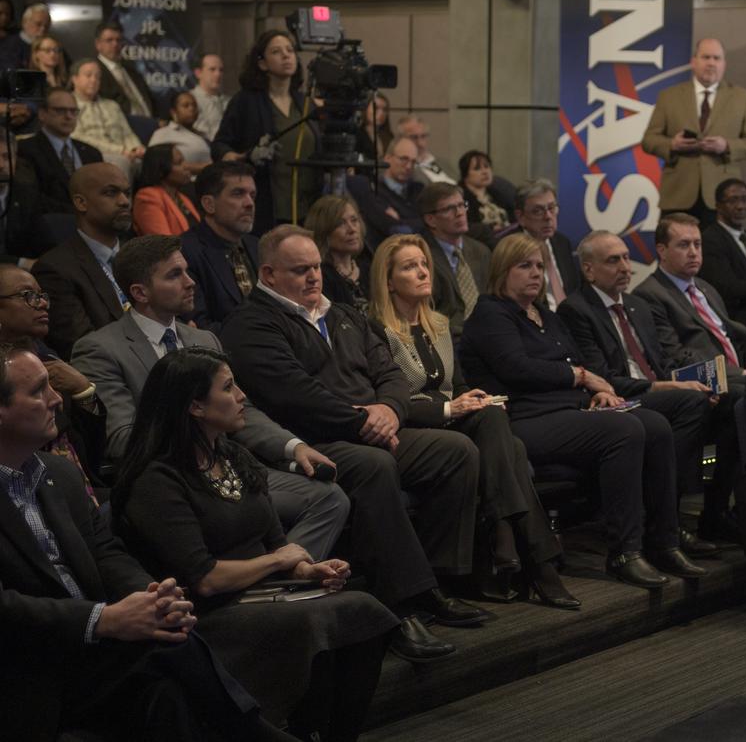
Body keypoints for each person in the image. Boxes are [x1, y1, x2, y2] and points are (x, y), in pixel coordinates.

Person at [0, 345, 299, 742]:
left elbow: (105, 552)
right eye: (39, 391)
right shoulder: (154, 476)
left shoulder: (59, 474)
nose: (57, 398)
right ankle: (255, 732)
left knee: (167, 688)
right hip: (29, 668)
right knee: (170, 654)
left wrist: (152, 596)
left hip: (96, 655)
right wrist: (101, 619)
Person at [112, 347, 400, 737]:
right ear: (195, 406)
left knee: (364, 611)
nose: (242, 396)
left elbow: (277, 543)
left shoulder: (232, 455)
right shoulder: (157, 479)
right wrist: (281, 563)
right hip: (210, 616)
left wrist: (307, 570)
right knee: (322, 620)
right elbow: (205, 578)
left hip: (266, 595)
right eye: (229, 387)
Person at [218, 225, 487, 634]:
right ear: (269, 275)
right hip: (312, 441)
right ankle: (401, 603)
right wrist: (364, 421)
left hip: (374, 429)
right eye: (299, 270)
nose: (313, 276)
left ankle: (437, 579)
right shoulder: (252, 324)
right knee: (373, 464)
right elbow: (295, 395)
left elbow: (391, 373)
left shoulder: (342, 313)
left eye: (316, 267)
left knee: (456, 451)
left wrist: (390, 411)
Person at [72, 235, 351, 561]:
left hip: (227, 468)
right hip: (171, 482)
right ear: (139, 292)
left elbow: (239, 407)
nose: (191, 283)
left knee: (330, 498)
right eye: (174, 275)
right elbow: (122, 439)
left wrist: (293, 446)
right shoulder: (102, 349)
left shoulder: (202, 338)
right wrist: (195, 448)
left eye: (188, 272)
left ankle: (281, 582)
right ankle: (262, 580)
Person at [460, 233, 706, 588]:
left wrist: (593, 395)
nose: (535, 274)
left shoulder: (544, 314)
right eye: (524, 266)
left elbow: (574, 362)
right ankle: (624, 552)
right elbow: (519, 368)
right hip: (523, 419)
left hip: (568, 410)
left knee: (654, 424)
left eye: (540, 266)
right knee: (624, 430)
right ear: (502, 270)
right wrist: (579, 377)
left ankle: (663, 540)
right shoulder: (490, 313)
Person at [368, 234, 580, 608]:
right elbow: (391, 400)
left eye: (423, 264)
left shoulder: (437, 322)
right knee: (506, 441)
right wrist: (452, 409)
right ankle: (535, 561)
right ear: (388, 281)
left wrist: (476, 398)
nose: (421, 271)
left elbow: (460, 384)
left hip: (453, 419)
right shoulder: (377, 329)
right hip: (413, 426)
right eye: (408, 266)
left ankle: (508, 541)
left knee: (496, 420)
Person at [559, 230, 730, 548]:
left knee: (732, 402)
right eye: (613, 260)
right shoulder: (576, 310)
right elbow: (603, 377)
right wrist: (670, 387)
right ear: (588, 269)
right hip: (620, 400)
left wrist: (694, 381)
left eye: (626, 257)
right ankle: (666, 519)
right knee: (690, 403)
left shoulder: (637, 305)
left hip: (660, 391)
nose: (625, 266)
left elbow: (661, 363)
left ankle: (717, 515)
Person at [0, 265, 106, 494]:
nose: (43, 303)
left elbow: (91, 444)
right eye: (27, 296)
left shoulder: (47, 357)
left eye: (42, 295)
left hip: (78, 485)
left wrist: (83, 390)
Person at [641, 37, 746, 222]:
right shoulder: (669, 96)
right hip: (678, 193)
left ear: (724, 64)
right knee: (674, 247)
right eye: (706, 57)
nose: (711, 63)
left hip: (723, 196)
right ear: (694, 62)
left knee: (719, 250)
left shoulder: (742, 98)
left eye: (717, 58)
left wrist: (727, 146)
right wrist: (672, 144)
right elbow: (649, 140)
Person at [213, 29, 320, 231]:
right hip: (265, 207)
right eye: (276, 51)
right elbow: (219, 146)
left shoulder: (306, 104)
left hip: (307, 210)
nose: (286, 55)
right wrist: (243, 156)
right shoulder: (245, 101)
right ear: (262, 63)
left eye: (290, 50)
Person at [31, 161, 133, 358]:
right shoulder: (54, 269)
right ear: (81, 203)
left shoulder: (141, 253)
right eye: (111, 192)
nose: (124, 201)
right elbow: (84, 347)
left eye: (127, 193)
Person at [633, 213, 746, 374]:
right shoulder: (649, 294)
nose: (693, 252)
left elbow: (735, 338)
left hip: (743, 373)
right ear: (662, 251)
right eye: (684, 245)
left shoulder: (706, 288)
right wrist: (740, 374)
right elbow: (677, 357)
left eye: (697, 244)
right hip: (708, 381)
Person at [698, 177, 746, 348]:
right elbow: (728, 288)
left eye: (744, 199)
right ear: (718, 206)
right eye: (733, 200)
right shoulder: (711, 240)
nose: (741, 206)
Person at [182, 162, 261, 330]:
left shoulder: (258, 246)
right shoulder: (185, 252)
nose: (249, 204)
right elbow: (199, 326)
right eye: (238, 194)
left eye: (252, 195)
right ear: (209, 204)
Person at [17, 87, 102, 216]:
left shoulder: (91, 153)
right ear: (42, 114)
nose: (68, 116)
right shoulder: (26, 149)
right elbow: (32, 197)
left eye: (73, 111)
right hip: (53, 223)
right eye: (60, 110)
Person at [421, 181, 491, 335]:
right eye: (448, 209)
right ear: (431, 219)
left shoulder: (481, 251)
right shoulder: (422, 257)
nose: (459, 213)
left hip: (488, 333)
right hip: (447, 338)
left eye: (461, 205)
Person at [498, 179, 580, 309]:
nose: (548, 217)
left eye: (552, 208)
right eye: (538, 211)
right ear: (520, 217)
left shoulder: (562, 242)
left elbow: (574, 290)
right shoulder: (507, 248)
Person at [69, 58, 144, 176]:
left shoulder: (112, 105)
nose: (94, 80)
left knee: (150, 160)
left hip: (124, 153)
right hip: (93, 154)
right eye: (88, 75)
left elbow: (127, 133)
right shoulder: (69, 104)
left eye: (97, 77)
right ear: (75, 79)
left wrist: (136, 148)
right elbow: (77, 137)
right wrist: (120, 151)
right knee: (122, 162)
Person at [347, 135, 424, 247]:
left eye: (413, 162)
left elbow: (430, 223)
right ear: (388, 157)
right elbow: (395, 229)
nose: (408, 166)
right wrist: (414, 220)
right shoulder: (371, 189)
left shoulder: (419, 190)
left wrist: (401, 220)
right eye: (404, 159)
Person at [305, 195, 372, 314]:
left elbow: (383, 324)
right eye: (341, 223)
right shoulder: (319, 277)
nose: (352, 229)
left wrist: (394, 334)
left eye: (354, 220)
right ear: (323, 231)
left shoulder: (369, 269)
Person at [93, 20, 157, 119]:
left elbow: (150, 101)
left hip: (150, 126)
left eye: (118, 40)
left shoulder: (133, 72)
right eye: (109, 40)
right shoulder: (94, 72)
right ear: (98, 44)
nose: (115, 44)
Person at [133, 144, 201, 236]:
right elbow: (164, 244)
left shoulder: (182, 198)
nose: (187, 166)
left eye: (184, 161)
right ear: (161, 170)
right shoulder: (147, 197)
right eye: (179, 163)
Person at [0, 131, 44, 264]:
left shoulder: (25, 193)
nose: (1, 165)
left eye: (7, 157)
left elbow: (41, 240)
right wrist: (22, 263)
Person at [458, 149, 514, 243]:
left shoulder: (499, 193)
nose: (485, 172)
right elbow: (468, 226)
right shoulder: (462, 198)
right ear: (465, 174)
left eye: (487, 166)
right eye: (477, 168)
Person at [149, 90, 214, 169]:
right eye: (185, 106)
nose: (191, 108)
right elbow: (154, 163)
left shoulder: (203, 134)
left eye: (194, 105)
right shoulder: (163, 133)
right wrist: (204, 167)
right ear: (173, 112)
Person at [397, 114, 454, 185]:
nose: (420, 143)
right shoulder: (403, 169)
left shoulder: (444, 163)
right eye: (414, 137)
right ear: (401, 139)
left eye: (423, 136)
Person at [0, 2, 51, 73]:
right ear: (25, 22)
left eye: (47, 25)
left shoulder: (53, 46)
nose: (43, 29)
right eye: (38, 24)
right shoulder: (8, 46)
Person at [191, 52, 230, 141]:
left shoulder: (229, 102)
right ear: (198, 73)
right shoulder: (189, 101)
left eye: (221, 70)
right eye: (212, 69)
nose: (218, 74)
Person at [356, 92, 393, 162]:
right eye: (376, 108)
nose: (381, 113)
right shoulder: (357, 135)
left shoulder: (389, 136)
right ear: (365, 109)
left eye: (384, 109)